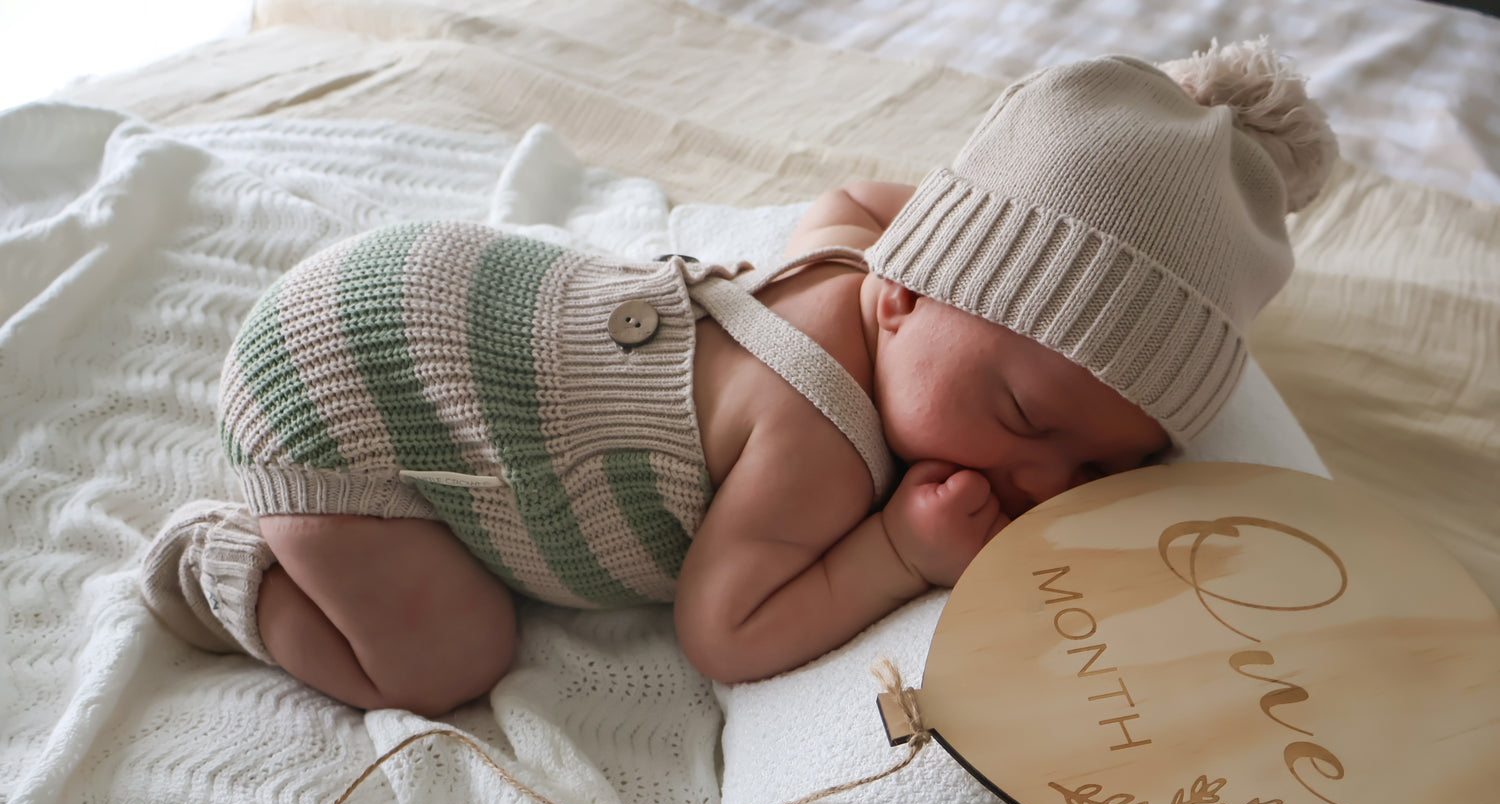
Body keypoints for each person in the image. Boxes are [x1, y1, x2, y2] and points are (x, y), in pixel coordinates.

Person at [140, 39, 1337, 715]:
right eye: (1026, 419)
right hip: (337, 395)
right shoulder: (812, 439)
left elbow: (876, 199)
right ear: (911, 289)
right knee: (446, 665)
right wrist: (901, 556)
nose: (1042, 481)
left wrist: (999, 239)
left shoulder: (856, 253)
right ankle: (233, 565)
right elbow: (725, 627)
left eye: (1103, 466)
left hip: (411, 291)